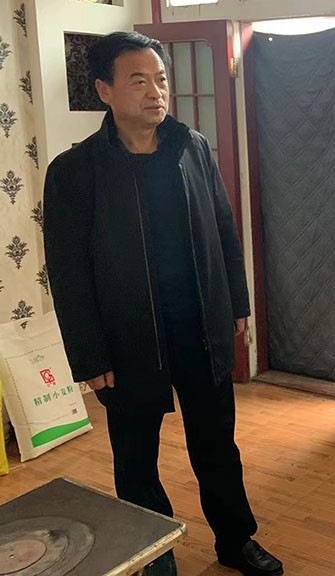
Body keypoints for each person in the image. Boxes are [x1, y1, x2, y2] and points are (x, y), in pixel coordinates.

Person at [43, 31, 283, 576]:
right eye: (138, 80)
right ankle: (153, 554)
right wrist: (89, 355)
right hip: (127, 339)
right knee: (136, 459)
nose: (156, 92)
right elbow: (68, 273)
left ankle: (235, 540)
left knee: (217, 446)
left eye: (161, 79)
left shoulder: (190, 146)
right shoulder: (75, 171)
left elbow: (223, 229)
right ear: (104, 90)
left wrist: (237, 302)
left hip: (198, 325)